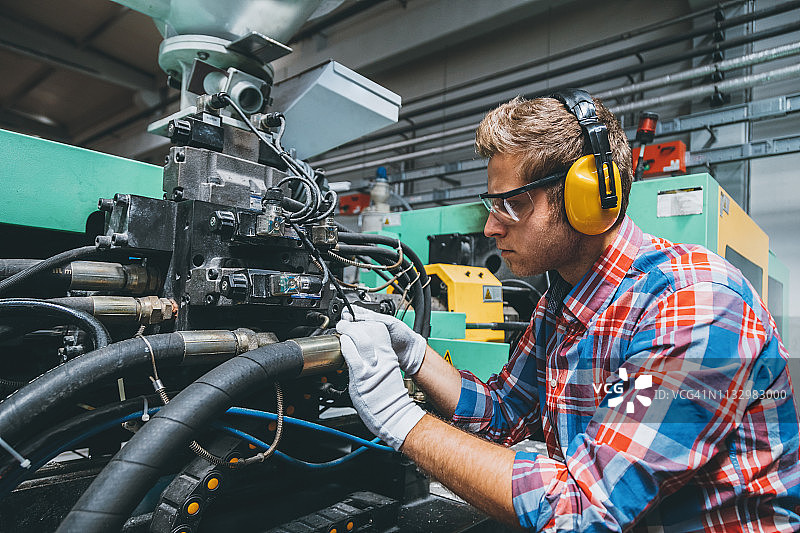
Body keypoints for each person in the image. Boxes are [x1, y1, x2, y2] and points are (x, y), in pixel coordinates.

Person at [336, 90, 800, 532]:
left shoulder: (695, 303)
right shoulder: (560, 304)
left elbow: (584, 508)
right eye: (491, 205)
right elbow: (504, 410)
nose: (491, 227)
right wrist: (416, 356)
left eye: (513, 204)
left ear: (588, 199)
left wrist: (401, 420)